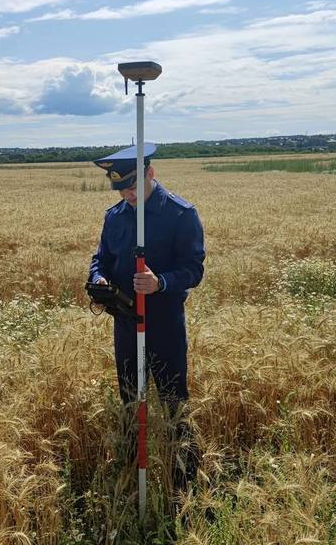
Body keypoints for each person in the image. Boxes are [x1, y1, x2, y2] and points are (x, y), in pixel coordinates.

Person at [88, 143, 205, 491]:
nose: (127, 194)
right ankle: (129, 469)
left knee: (173, 400)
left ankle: (184, 479)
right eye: (121, 188)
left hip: (164, 323)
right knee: (129, 395)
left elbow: (193, 269)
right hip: (124, 321)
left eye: (132, 185)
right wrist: (99, 278)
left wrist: (160, 283)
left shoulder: (181, 214)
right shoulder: (115, 215)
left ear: (150, 174)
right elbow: (101, 258)